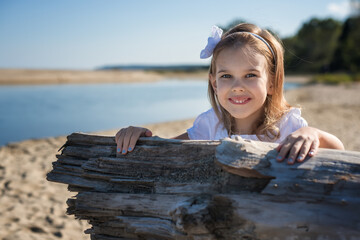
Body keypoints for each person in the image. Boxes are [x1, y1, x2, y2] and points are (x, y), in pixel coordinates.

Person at [115, 23, 344, 164]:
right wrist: (137, 134)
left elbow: (339, 152)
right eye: (226, 76)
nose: (237, 86)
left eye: (250, 75)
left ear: (272, 83)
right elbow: (163, 149)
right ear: (214, 84)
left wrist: (314, 134)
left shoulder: (288, 127)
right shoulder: (210, 126)